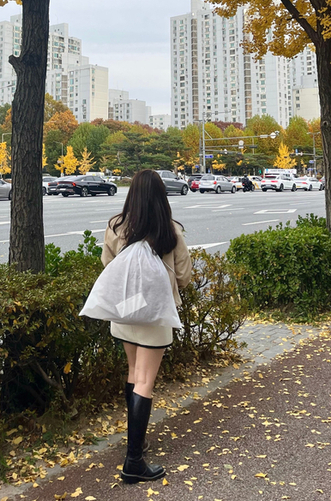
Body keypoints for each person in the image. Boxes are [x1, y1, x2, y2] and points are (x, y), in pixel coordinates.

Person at [102, 169, 192, 484]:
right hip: (155, 313)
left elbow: (108, 266)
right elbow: (184, 277)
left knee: (133, 373)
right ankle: (134, 461)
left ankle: (136, 443)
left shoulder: (116, 227)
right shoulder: (170, 231)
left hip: (125, 311)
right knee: (145, 380)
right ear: (161, 197)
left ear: (132, 195)